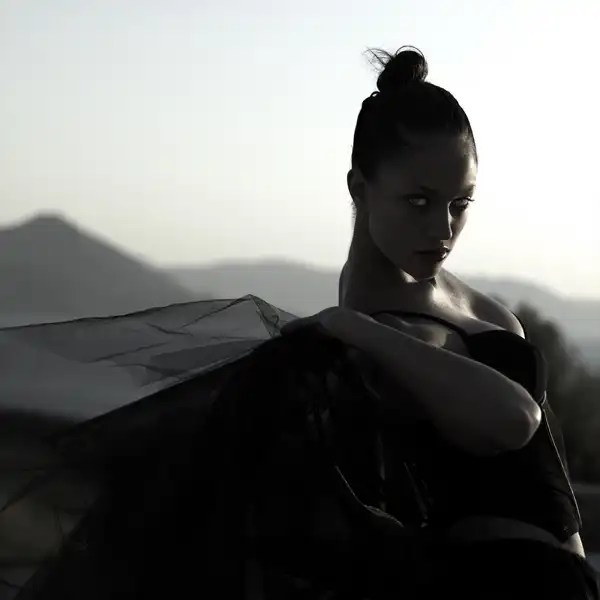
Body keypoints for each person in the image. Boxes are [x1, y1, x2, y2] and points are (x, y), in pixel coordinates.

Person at [287, 46, 599, 597]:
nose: (443, 229)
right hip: (510, 583)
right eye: (419, 201)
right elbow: (515, 420)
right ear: (359, 189)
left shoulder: (428, 288)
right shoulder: (376, 326)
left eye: (461, 203)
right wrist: (348, 325)